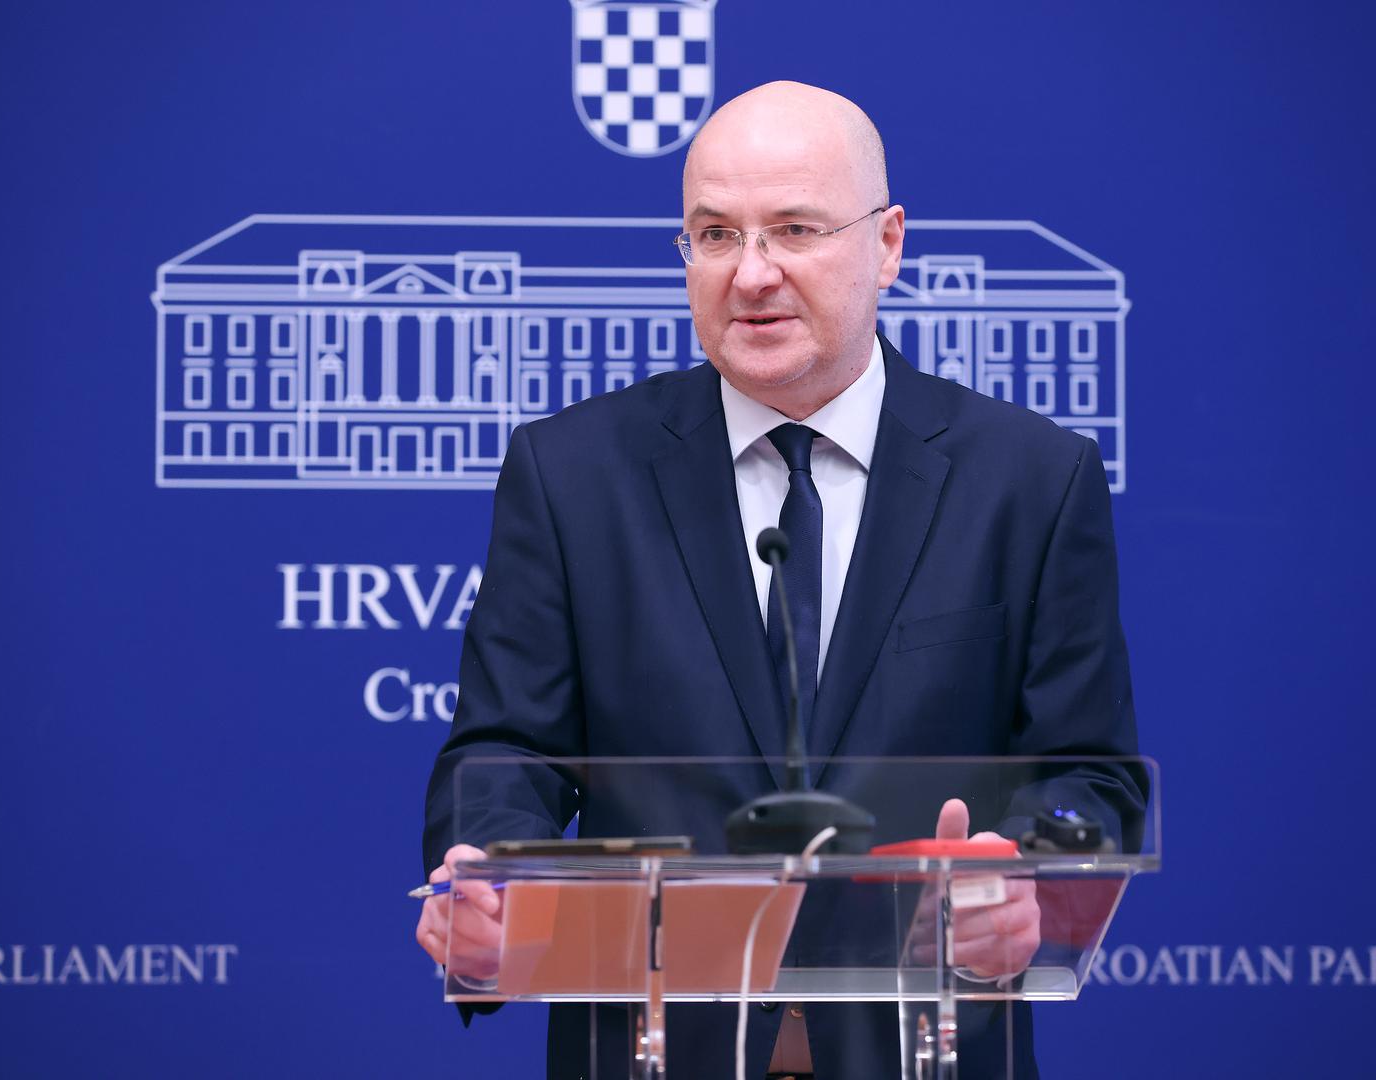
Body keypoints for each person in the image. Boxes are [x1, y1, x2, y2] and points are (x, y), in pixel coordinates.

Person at [420, 81, 1143, 1079]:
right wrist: (490, 878)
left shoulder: (1029, 480)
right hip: (649, 1052)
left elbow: (1090, 774)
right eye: (714, 235)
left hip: (925, 1052)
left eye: (794, 230)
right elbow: (507, 751)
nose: (750, 274)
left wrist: (1028, 880)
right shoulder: (571, 474)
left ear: (887, 243)